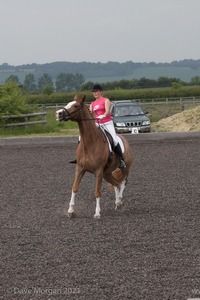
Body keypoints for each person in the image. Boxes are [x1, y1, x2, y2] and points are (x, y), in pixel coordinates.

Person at [69, 83, 126, 168]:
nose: (95, 93)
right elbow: (90, 113)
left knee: (114, 139)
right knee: (81, 137)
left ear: (101, 92)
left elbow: (107, 111)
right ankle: (78, 157)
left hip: (107, 123)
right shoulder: (92, 103)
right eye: (93, 92)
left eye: (96, 92)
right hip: (97, 123)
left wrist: (103, 115)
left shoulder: (106, 100)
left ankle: (121, 160)